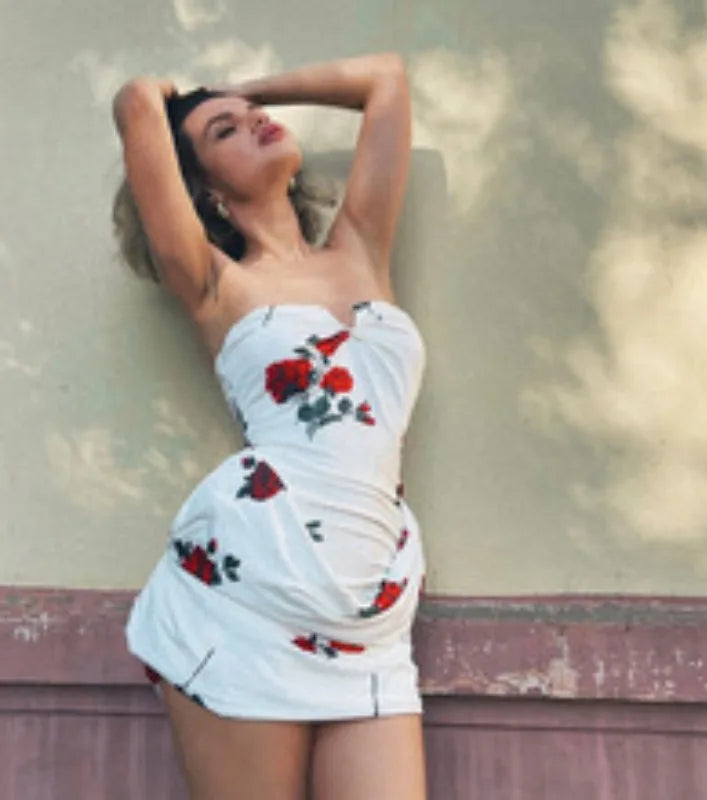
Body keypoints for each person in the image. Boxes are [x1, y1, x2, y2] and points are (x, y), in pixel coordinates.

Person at [111, 53, 428, 800]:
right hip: (247, 596)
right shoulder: (217, 281)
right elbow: (135, 102)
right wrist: (176, 95)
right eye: (225, 131)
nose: (254, 122)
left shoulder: (360, 248)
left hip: (368, 609)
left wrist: (243, 95)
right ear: (208, 195)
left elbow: (385, 81)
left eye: (252, 116)